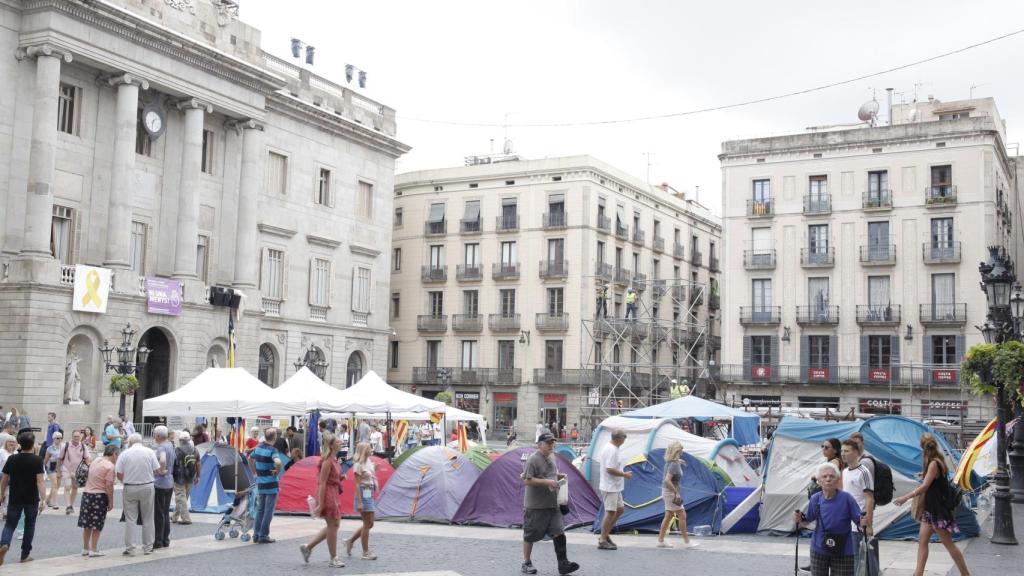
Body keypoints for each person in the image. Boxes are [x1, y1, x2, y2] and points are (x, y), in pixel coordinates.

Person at [893, 433, 971, 576]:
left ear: (923, 448)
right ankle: (918, 573)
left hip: (937, 511)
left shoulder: (934, 463)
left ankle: (966, 574)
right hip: (931, 510)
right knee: (922, 541)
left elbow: (925, 486)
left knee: (948, 544)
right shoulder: (936, 461)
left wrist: (905, 497)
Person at [520, 431, 579, 575]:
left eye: (552, 442)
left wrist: (559, 476)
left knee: (559, 531)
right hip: (536, 505)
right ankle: (526, 562)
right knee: (530, 535)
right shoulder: (533, 459)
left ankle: (563, 564)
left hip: (553, 503)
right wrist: (547, 482)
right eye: (548, 443)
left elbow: (551, 473)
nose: (551, 445)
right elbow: (527, 480)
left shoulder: (552, 456)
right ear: (539, 445)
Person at [793, 462, 862, 576]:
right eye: (824, 476)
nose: (828, 479)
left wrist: (864, 522)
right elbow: (807, 519)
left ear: (838, 480)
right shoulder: (815, 498)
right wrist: (799, 518)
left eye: (832, 476)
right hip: (819, 547)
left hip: (843, 549)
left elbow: (859, 522)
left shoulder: (847, 498)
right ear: (819, 481)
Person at [299, 433, 346, 568]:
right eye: (338, 442)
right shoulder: (327, 461)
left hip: (333, 492)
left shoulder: (334, 459)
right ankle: (333, 558)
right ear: (331, 445)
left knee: (334, 525)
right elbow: (322, 483)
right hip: (328, 494)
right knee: (333, 527)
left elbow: (330, 479)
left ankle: (308, 547)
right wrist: (321, 503)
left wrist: (340, 479)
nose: (340, 443)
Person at [0, 432, 45, 565]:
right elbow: (40, 481)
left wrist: (1, 494)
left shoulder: (12, 459)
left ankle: (4, 544)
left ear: (20, 444)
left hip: (15, 497)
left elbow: (4, 479)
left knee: (10, 524)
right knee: (29, 525)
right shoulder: (37, 460)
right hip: (31, 498)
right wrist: (44, 499)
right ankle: (25, 554)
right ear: (32, 444)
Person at [116, 433, 160, 556]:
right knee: (148, 518)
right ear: (141, 441)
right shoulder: (150, 452)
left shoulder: (124, 454)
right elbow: (157, 470)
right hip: (147, 485)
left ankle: (130, 548)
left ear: (130, 442)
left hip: (130, 486)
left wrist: (127, 478)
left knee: (130, 519)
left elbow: (119, 474)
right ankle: (148, 547)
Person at [840, 439, 876, 575]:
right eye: (842, 451)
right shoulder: (844, 472)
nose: (843, 454)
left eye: (846, 451)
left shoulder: (863, 472)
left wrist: (869, 525)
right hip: (845, 523)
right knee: (848, 558)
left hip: (859, 523)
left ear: (855, 453)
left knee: (860, 558)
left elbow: (869, 498)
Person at [656, 441, 698, 549]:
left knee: (668, 515)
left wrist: (680, 461)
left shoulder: (671, 462)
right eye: (680, 450)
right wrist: (676, 492)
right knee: (682, 515)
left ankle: (661, 540)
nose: (682, 452)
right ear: (676, 451)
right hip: (670, 492)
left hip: (666, 492)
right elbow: (667, 480)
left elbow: (672, 467)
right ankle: (687, 542)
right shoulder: (673, 464)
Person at [79, 444, 118, 557]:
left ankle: (85, 548)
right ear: (114, 454)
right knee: (97, 524)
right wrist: (111, 501)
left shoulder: (95, 460)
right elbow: (109, 485)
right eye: (117, 455)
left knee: (87, 524)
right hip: (99, 496)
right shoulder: (110, 467)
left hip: (87, 494)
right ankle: (94, 549)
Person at [597, 429, 632, 550]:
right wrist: (624, 475)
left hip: (614, 486)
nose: (625, 439)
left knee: (620, 509)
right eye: (624, 437)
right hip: (609, 486)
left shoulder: (613, 448)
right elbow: (609, 469)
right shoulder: (611, 450)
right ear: (618, 438)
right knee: (611, 511)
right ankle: (602, 539)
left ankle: (605, 535)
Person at [344, 442, 378, 560]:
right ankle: (365, 551)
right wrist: (359, 501)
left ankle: (350, 541)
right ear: (363, 450)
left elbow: (371, 476)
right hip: (363, 493)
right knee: (367, 524)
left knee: (370, 523)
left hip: (370, 493)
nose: (371, 449)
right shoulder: (358, 465)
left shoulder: (369, 462)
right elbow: (357, 484)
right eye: (369, 448)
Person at [251, 427, 283, 544]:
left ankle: (256, 534)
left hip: (260, 483)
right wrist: (277, 471)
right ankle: (263, 535)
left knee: (260, 509)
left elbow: (250, 458)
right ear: (275, 437)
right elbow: (278, 462)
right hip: (271, 483)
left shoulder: (258, 447)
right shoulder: (273, 450)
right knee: (268, 510)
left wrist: (254, 472)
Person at [152, 426, 175, 549]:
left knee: (159, 513)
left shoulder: (161, 447)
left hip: (160, 483)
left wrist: (161, 470)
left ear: (158, 436)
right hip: (169, 481)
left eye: (155, 434)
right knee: (165, 512)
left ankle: (158, 540)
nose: (154, 437)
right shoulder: (170, 445)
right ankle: (166, 539)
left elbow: (162, 460)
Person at [59, 429, 91, 515]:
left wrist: (89, 469)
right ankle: (68, 506)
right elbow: (59, 458)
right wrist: (58, 470)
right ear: (72, 437)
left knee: (75, 488)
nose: (76, 438)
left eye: (78, 436)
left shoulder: (83, 446)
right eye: (75, 436)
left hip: (78, 472)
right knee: (67, 487)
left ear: (80, 437)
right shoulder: (65, 446)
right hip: (66, 470)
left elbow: (88, 459)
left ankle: (71, 505)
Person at [171, 431, 200, 525]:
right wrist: (198, 476)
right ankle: (175, 516)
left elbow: (172, 464)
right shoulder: (195, 450)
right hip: (191, 476)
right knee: (183, 498)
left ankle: (186, 518)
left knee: (180, 497)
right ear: (189, 440)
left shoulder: (177, 450)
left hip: (179, 477)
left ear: (180, 440)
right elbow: (198, 464)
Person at [41, 431, 63, 509]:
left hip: (60, 468)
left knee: (57, 486)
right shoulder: (49, 448)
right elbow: (46, 460)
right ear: (54, 439)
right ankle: (55, 503)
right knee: (55, 484)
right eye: (57, 438)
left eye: (61, 438)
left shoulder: (63, 447)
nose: (59, 439)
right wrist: (42, 468)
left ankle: (47, 500)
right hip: (51, 467)